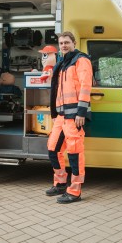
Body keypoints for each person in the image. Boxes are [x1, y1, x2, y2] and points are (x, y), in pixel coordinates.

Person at [46, 31, 93, 204]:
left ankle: (75, 191)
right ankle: (60, 183)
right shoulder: (63, 63)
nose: (64, 45)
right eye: (61, 43)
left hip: (74, 116)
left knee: (74, 153)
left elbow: (85, 87)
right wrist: (54, 113)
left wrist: (81, 112)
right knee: (52, 149)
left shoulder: (81, 60)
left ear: (73, 43)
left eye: (67, 42)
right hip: (61, 115)